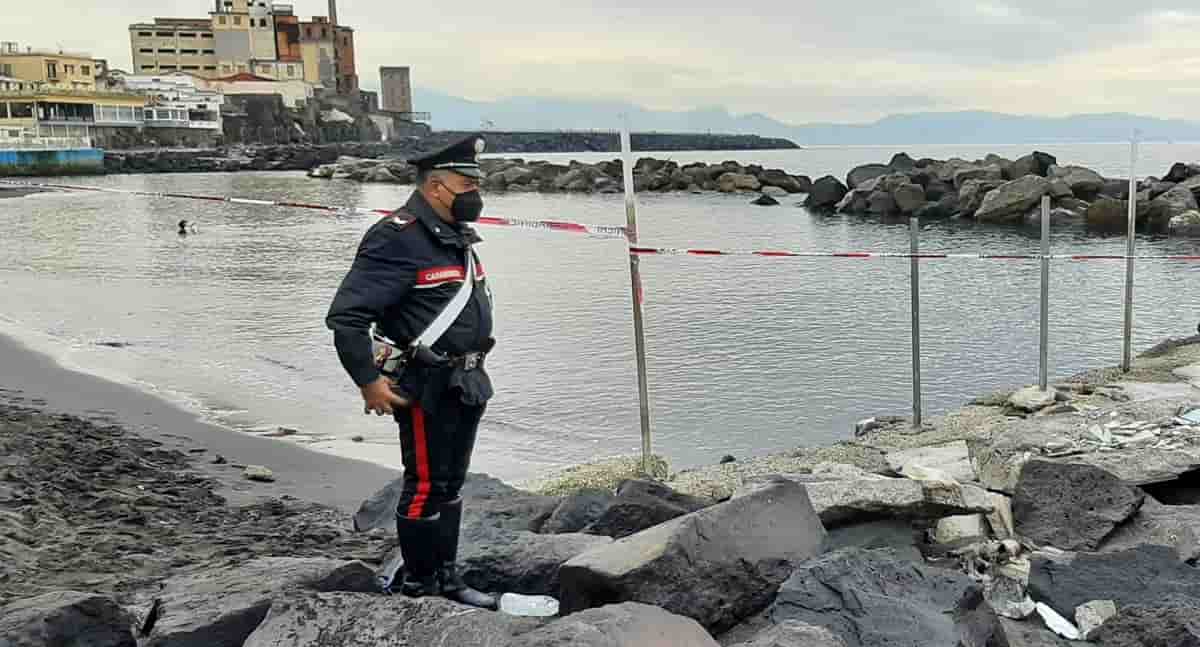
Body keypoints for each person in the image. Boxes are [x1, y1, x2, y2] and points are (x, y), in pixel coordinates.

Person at [326, 135, 496, 609]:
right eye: (467, 185)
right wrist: (368, 382)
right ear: (436, 187)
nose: (476, 195)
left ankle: (447, 577)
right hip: (424, 383)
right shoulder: (396, 237)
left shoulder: (454, 235)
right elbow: (347, 318)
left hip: (467, 379)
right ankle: (421, 585)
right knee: (424, 485)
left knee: (451, 483)